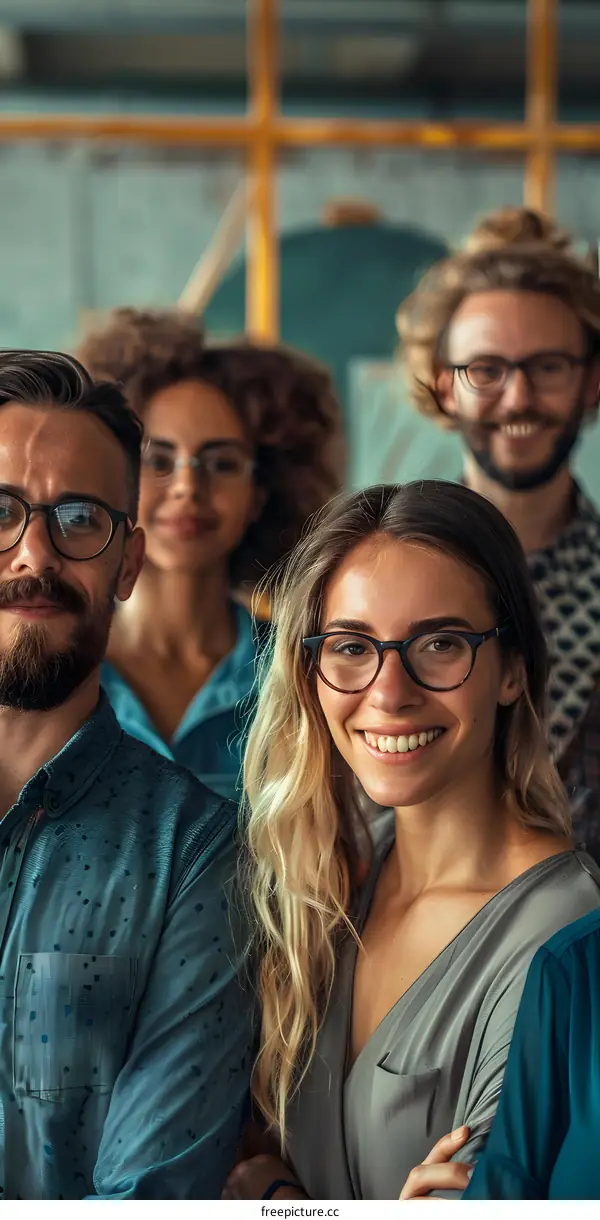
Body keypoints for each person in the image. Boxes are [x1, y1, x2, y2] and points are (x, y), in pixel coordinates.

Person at [223, 480, 600, 1202]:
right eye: (351, 646)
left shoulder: (567, 938)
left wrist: (279, 1199)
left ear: (513, 670)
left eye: (440, 643)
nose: (390, 692)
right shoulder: (334, 882)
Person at [0, 349, 252, 1199]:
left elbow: (152, 1202)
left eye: (77, 519)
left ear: (129, 563)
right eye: (0, 510)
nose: (33, 555)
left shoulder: (196, 852)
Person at [397, 208, 600, 860]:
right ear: (443, 385)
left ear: (591, 381)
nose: (517, 399)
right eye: (486, 369)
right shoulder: (383, 576)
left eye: (547, 367)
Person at [77, 309, 344, 800]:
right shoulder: (56, 662)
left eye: (221, 463)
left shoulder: (304, 675)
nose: (187, 487)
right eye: (158, 460)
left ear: (260, 493)